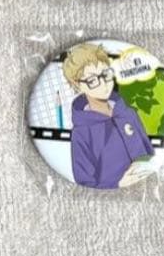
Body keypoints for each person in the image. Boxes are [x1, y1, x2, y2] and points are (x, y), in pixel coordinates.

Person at [62, 43, 154, 189]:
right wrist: (118, 184)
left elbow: (148, 151)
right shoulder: (81, 133)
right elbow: (84, 182)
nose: (103, 83)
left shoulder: (128, 112)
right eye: (92, 80)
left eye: (106, 75)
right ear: (77, 85)